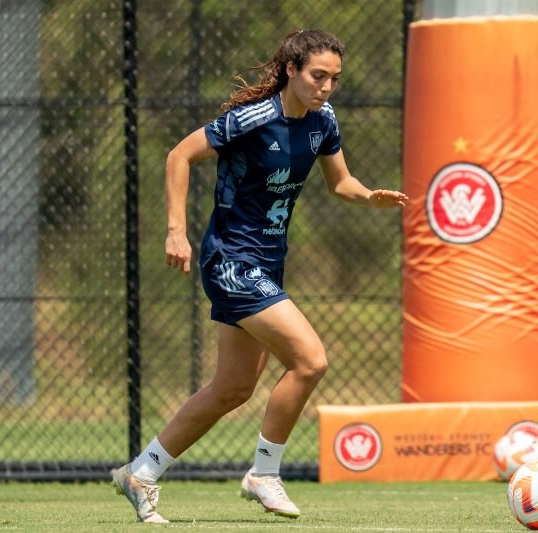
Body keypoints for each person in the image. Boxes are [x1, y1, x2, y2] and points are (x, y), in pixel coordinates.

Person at [112, 28, 407, 523]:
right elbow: (178, 155)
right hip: (231, 261)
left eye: (334, 78)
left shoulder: (323, 121)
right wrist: (175, 231)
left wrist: (368, 196)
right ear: (292, 70)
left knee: (231, 389)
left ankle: (140, 472)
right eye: (317, 76)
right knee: (310, 360)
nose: (326, 87)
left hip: (266, 262)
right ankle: (263, 473)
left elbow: (342, 183)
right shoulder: (252, 119)